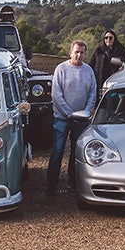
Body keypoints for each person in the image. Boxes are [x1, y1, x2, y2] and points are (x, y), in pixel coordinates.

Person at [49, 40, 97, 195]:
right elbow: (57, 94)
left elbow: (92, 93)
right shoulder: (61, 69)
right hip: (62, 118)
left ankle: (73, 183)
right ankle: (51, 184)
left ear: (85, 54)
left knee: (77, 152)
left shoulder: (88, 71)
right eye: (76, 52)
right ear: (70, 52)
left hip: (81, 119)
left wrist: (87, 111)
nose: (79, 55)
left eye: (82, 52)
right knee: (58, 150)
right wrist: (69, 113)